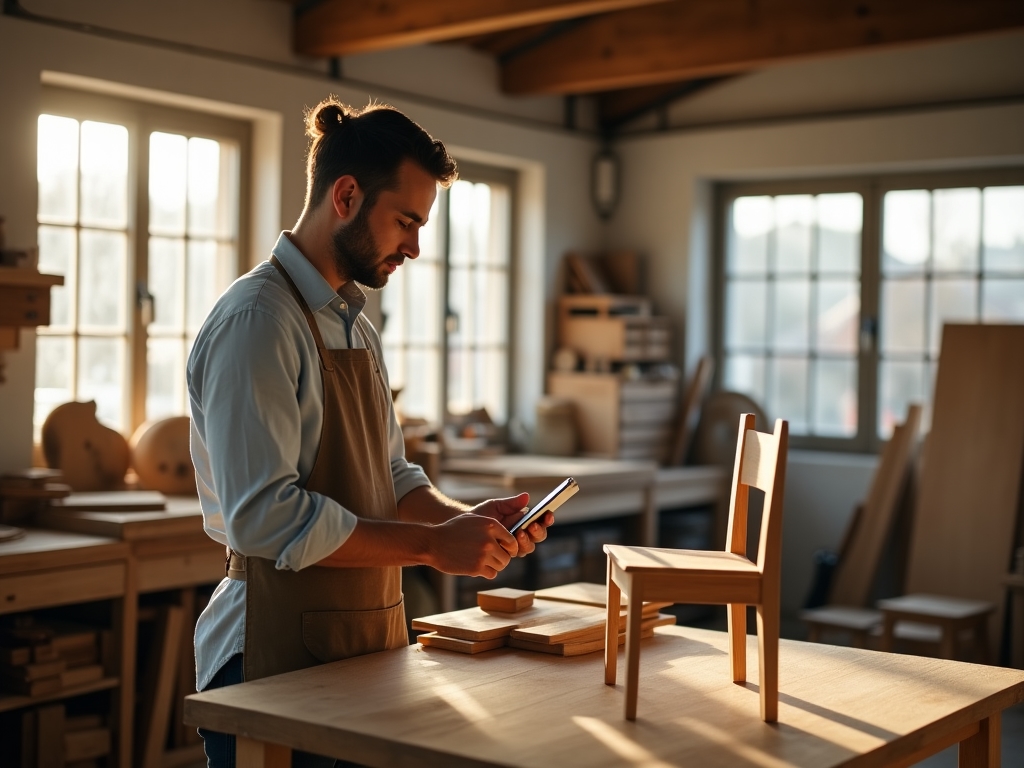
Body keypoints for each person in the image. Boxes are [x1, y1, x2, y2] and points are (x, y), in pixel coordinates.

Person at [187, 97, 552, 768]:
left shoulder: (354, 323)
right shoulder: (258, 322)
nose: (414, 247)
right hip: (271, 653)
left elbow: (391, 477)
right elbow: (265, 518)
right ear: (347, 195)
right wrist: (432, 547)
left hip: (361, 644)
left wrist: (464, 526)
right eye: (406, 221)